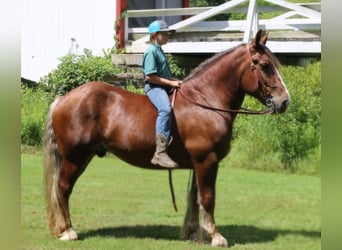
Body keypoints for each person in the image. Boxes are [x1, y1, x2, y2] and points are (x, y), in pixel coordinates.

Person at [142, 20, 182, 169]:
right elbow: (150, 77)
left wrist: (176, 81)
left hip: (162, 86)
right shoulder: (151, 51)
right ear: (155, 34)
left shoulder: (159, 50)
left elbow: (163, 74)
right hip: (154, 88)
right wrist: (171, 83)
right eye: (164, 33)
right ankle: (160, 153)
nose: (167, 36)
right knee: (165, 109)